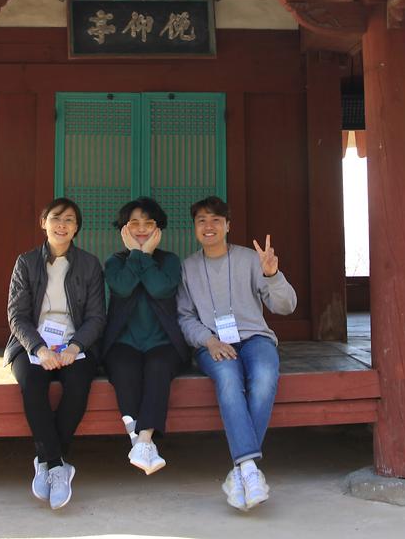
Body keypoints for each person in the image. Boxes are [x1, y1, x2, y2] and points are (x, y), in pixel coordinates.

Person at [176, 195, 297, 511]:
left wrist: (272, 275)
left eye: (216, 220)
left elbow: (285, 306)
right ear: (194, 228)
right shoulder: (188, 268)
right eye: (201, 220)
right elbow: (184, 317)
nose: (209, 226)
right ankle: (249, 470)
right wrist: (209, 341)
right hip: (213, 344)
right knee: (229, 380)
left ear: (228, 225)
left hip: (255, 338)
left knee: (265, 376)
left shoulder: (249, 259)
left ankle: (242, 467)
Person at [4, 197, 105, 510]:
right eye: (56, 218)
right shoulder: (26, 262)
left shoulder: (89, 264)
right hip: (32, 343)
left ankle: (47, 461)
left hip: (75, 344)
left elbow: (96, 317)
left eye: (69, 220)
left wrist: (75, 347)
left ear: (76, 228)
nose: (62, 225)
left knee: (78, 384)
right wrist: (38, 348)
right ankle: (57, 465)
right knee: (32, 384)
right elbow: (17, 315)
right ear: (43, 223)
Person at [101, 197, 189, 475]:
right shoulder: (115, 261)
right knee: (123, 367)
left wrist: (145, 256)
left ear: (158, 228)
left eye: (148, 223)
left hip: (163, 342)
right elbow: (123, 287)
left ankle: (143, 439)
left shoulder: (170, 260)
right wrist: (137, 255)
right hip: (123, 341)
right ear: (124, 229)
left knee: (158, 367)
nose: (141, 229)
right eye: (134, 223)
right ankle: (142, 443)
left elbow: (160, 288)